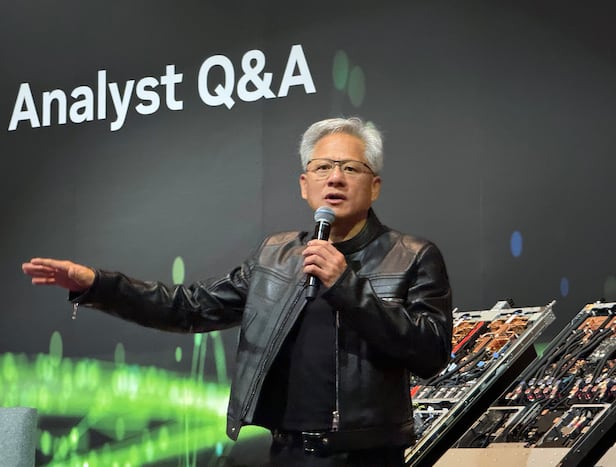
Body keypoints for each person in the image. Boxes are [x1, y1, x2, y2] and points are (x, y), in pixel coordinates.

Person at [22, 117, 453, 467]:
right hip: (286, 453)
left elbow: (431, 352)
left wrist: (347, 286)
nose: (335, 178)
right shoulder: (276, 255)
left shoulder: (412, 255)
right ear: (304, 184)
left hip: (368, 456)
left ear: (374, 185)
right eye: (323, 167)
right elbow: (190, 307)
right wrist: (98, 285)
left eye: (350, 168)